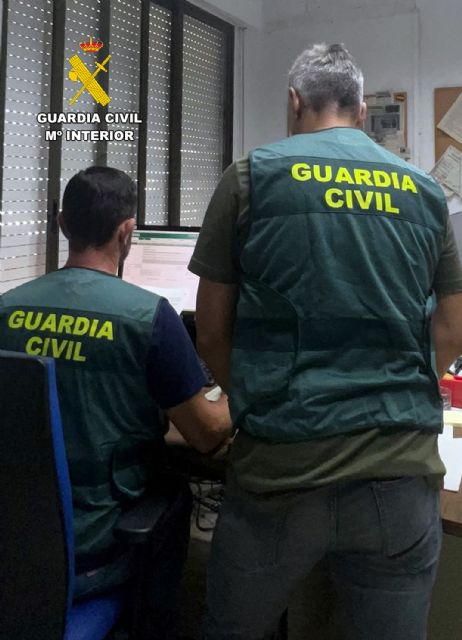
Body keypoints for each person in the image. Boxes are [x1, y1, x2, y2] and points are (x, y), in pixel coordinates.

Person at [188, 43, 462, 640]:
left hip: (279, 476)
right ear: (362, 110)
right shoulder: (422, 191)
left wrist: (258, 394)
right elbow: (452, 327)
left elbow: (210, 332)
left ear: (294, 102)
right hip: (397, 477)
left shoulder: (250, 179)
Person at [0, 166, 233, 638]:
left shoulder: (7, 308)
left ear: (63, 224)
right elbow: (206, 434)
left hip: (14, 546)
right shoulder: (147, 317)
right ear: (127, 232)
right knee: (176, 501)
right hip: (94, 550)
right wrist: (242, 391)